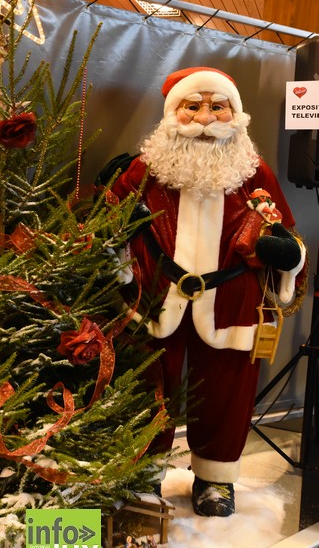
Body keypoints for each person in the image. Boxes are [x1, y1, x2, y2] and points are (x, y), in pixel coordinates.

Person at [110, 67, 307, 517]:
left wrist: (285, 254)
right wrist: (117, 234)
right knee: (147, 389)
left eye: (218, 106)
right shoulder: (145, 169)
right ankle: (142, 476)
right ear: (172, 112)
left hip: (230, 302)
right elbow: (108, 228)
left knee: (225, 391)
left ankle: (215, 479)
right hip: (157, 298)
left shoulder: (254, 171)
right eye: (192, 106)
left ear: (235, 113)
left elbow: (289, 237)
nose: (204, 118)